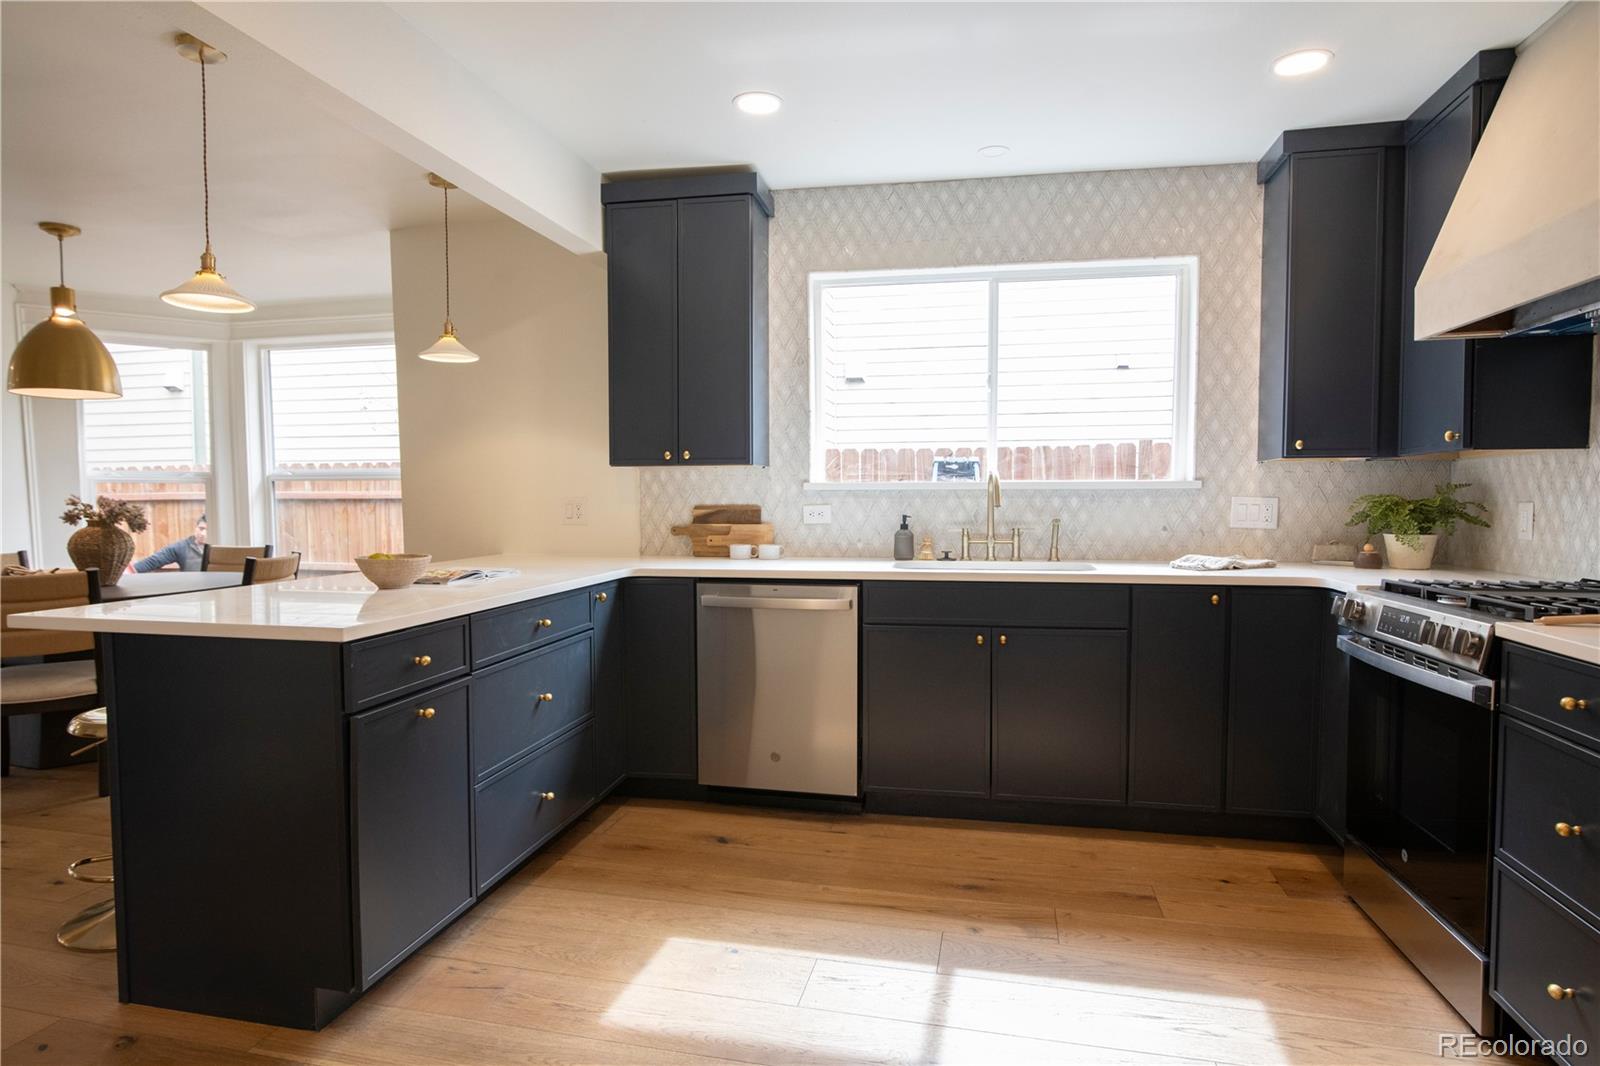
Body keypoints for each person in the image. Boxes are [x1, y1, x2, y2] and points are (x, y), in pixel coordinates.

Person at [133, 514, 207, 572]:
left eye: (208, 530)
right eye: (201, 528)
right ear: (196, 527)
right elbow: (151, 562)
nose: (203, 533)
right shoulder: (182, 547)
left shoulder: (217, 547)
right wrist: (126, 572)